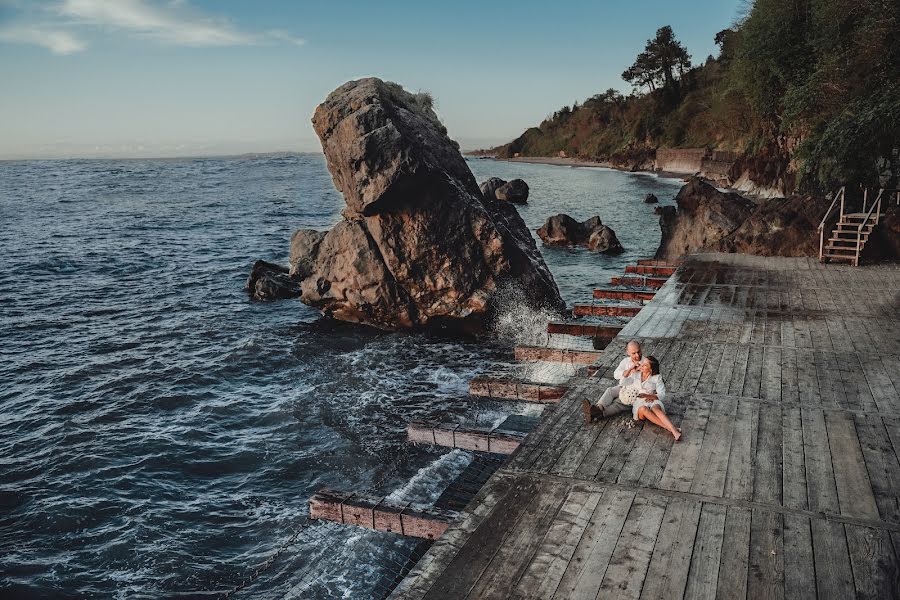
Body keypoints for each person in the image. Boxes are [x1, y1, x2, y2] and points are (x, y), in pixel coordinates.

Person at [582, 356, 682, 441]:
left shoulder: (657, 378)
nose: (642, 365)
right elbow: (622, 383)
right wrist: (630, 370)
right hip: (639, 402)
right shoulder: (636, 373)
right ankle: (672, 429)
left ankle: (673, 429)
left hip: (651, 399)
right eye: (643, 364)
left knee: (656, 408)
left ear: (651, 369)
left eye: (645, 365)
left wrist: (649, 396)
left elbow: (662, 394)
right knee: (643, 409)